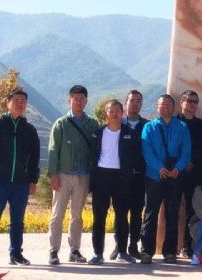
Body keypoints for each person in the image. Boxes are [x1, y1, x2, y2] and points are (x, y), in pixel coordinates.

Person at [0, 88, 40, 269]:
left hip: (21, 182)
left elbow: (34, 158)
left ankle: (16, 254)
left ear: (26, 105)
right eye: (16, 100)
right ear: (8, 102)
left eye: (23, 101)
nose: (20, 103)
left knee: (18, 221)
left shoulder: (29, 130)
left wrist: (33, 180)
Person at [47, 85, 99, 265]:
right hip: (63, 175)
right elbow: (53, 150)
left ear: (86, 101)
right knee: (57, 214)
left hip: (84, 176)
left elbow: (96, 150)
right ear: (69, 100)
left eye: (82, 98)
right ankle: (53, 251)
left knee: (77, 215)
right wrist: (53, 175)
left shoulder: (92, 124)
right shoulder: (61, 124)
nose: (78, 101)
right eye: (75, 98)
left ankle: (74, 250)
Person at [140, 94, 191, 264]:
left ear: (173, 107)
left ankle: (170, 252)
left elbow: (186, 151)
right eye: (162, 104)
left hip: (175, 176)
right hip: (154, 176)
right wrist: (159, 167)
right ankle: (146, 251)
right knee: (151, 213)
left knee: (172, 214)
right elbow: (147, 150)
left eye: (168, 104)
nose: (165, 107)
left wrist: (178, 168)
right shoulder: (149, 127)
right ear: (157, 107)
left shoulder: (182, 127)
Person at [88, 100, 138, 265]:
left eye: (118, 110)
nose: (115, 113)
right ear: (106, 113)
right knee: (99, 217)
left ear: (123, 113)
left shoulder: (130, 133)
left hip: (122, 178)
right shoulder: (98, 133)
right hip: (101, 177)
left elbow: (136, 156)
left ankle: (122, 252)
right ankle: (98, 253)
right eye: (111, 110)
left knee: (122, 216)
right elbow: (92, 156)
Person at [109, 90, 148, 260]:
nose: (135, 104)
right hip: (120, 177)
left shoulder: (147, 125)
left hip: (139, 176)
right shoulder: (117, 123)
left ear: (141, 104)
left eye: (138, 101)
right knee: (120, 213)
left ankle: (133, 246)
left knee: (137, 213)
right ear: (126, 103)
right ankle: (119, 245)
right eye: (132, 100)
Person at [177, 90, 202, 258]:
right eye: (189, 100)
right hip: (175, 172)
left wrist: (194, 163)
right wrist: (183, 163)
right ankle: (170, 247)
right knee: (173, 210)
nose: (192, 104)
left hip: (196, 173)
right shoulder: (173, 123)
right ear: (181, 102)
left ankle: (188, 245)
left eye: (195, 101)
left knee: (193, 211)